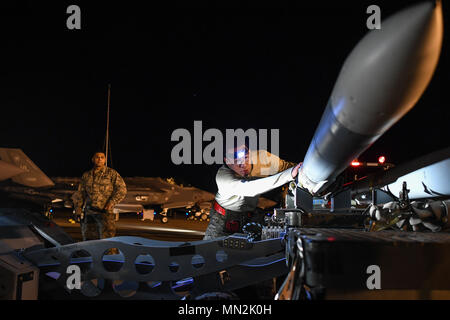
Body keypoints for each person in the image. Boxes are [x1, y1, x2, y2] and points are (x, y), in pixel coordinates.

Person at [203, 144, 301, 240]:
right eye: (236, 162)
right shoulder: (223, 177)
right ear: (227, 161)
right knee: (210, 251)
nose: (243, 165)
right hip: (223, 219)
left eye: (245, 158)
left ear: (249, 153)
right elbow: (251, 188)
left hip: (250, 215)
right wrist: (289, 175)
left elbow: (290, 167)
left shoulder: (264, 159)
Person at [74, 152, 127, 241]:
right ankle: (91, 255)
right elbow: (80, 193)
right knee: (89, 240)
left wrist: (111, 202)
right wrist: (78, 209)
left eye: (102, 157)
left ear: (105, 160)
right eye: (97, 157)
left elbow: (122, 190)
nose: (99, 159)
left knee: (107, 241)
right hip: (89, 213)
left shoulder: (111, 174)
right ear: (93, 159)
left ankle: (109, 256)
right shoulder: (86, 175)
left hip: (105, 213)